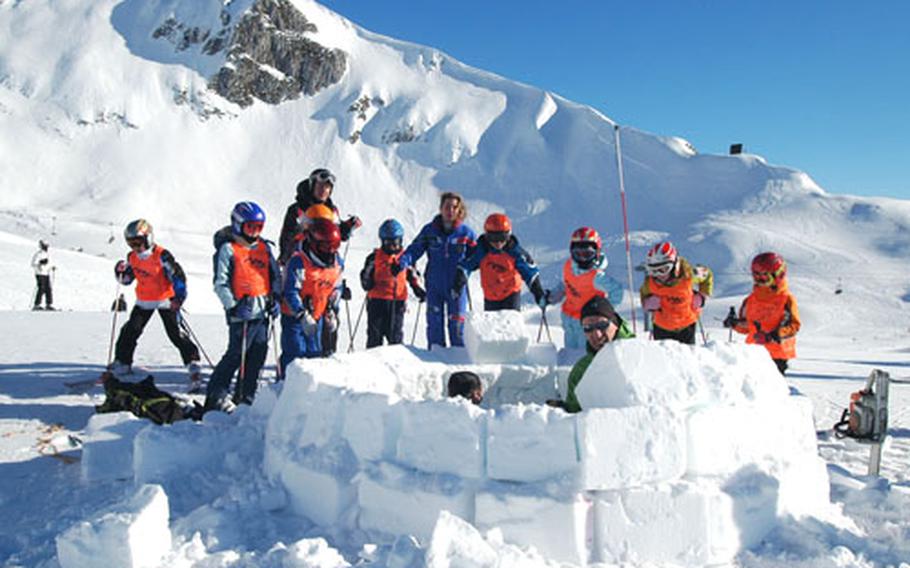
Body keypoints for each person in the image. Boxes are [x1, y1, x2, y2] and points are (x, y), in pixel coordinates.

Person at [205, 203, 281, 411]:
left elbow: (274, 276)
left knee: (257, 355)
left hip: (262, 312)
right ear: (238, 225)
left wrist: (276, 299)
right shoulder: (228, 249)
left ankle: (245, 396)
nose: (255, 232)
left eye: (259, 227)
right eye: (250, 227)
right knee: (237, 354)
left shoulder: (264, 248)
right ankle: (216, 394)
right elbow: (220, 283)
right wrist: (233, 306)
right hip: (242, 313)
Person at [111, 219, 202, 388]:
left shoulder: (161, 255)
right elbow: (127, 280)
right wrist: (120, 273)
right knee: (131, 330)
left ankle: (193, 363)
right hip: (144, 301)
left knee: (176, 334)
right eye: (131, 244)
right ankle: (122, 362)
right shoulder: (132, 257)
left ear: (148, 238)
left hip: (165, 300)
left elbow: (177, 276)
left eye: (138, 243)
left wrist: (178, 298)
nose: (136, 248)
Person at [394, 192, 477, 348]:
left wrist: (465, 271)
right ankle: (436, 356)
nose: (450, 210)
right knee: (434, 321)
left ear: (459, 210)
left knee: (457, 324)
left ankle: (457, 360)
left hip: (457, 286)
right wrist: (402, 262)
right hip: (434, 284)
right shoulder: (429, 231)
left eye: (454, 207)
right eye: (447, 206)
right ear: (441, 208)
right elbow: (415, 249)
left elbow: (477, 258)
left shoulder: (466, 233)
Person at [549, 296, 634, 413]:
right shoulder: (581, 371)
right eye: (588, 328)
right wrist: (563, 410)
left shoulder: (640, 357)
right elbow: (575, 415)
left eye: (602, 325)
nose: (597, 334)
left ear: (615, 323)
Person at [280, 218, 345, 371]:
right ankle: (285, 389)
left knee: (314, 355)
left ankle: (309, 391)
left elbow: (336, 288)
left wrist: (331, 310)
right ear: (315, 244)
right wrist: (302, 314)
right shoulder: (299, 261)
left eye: (334, 246)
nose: (330, 251)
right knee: (295, 354)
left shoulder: (337, 263)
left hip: (318, 316)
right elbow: (290, 291)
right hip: (294, 317)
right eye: (325, 246)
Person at [724, 252, 801, 375]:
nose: (760, 278)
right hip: (753, 353)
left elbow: (794, 326)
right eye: (756, 274)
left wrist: (774, 335)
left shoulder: (786, 299)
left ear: (777, 275)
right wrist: (734, 323)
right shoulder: (751, 300)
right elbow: (748, 327)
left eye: (765, 275)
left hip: (776, 355)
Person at [453, 213, 548, 311]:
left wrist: (538, 292)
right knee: (493, 325)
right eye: (493, 238)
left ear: (509, 235)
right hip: (491, 296)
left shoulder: (515, 253)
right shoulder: (481, 251)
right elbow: (467, 265)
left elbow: (530, 272)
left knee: (509, 322)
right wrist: (459, 281)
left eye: (502, 238)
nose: (498, 243)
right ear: (487, 236)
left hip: (511, 294)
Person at [549, 227, 624, 349]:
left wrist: (602, 312)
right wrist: (552, 296)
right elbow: (565, 284)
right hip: (569, 321)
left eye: (587, 254)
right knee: (569, 356)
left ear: (597, 252)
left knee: (584, 357)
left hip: (588, 326)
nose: (582, 259)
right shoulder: (568, 266)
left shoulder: (596, 276)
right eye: (577, 254)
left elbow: (617, 291)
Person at [360, 219, 426, 348]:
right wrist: (367, 279)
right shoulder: (374, 257)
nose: (393, 247)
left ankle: (395, 364)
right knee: (375, 337)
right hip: (377, 301)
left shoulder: (405, 258)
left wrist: (418, 289)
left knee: (395, 338)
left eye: (396, 242)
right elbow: (365, 279)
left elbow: (411, 276)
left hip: (397, 302)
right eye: (389, 243)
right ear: (383, 241)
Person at [278, 168, 361, 265]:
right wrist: (285, 257)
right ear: (312, 186)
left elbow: (336, 234)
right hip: (301, 260)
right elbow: (287, 236)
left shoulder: (332, 210)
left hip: (326, 261)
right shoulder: (298, 209)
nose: (323, 190)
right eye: (320, 186)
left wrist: (348, 226)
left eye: (327, 187)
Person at [640, 241, 713, 345]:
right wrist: (647, 303)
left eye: (663, 269)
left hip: (686, 326)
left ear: (675, 265)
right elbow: (644, 294)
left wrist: (702, 296)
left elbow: (708, 275)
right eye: (653, 270)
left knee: (686, 357)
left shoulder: (689, 275)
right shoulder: (651, 282)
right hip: (662, 327)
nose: (659, 275)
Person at [31, 240, 55, 310]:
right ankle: (36, 305)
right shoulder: (38, 254)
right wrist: (40, 263)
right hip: (40, 274)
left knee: (48, 289)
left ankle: (48, 304)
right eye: (45, 246)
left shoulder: (47, 254)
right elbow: (33, 264)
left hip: (46, 273)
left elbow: (49, 263)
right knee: (41, 288)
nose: (46, 247)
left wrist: (52, 267)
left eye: (47, 246)